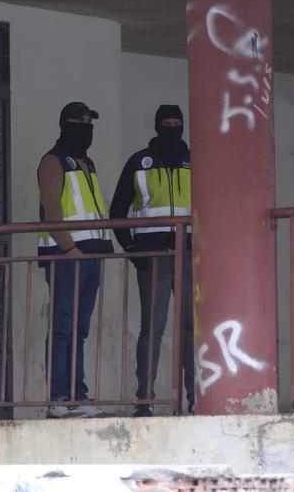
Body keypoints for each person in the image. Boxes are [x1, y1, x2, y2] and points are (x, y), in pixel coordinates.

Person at [109, 104, 195, 416]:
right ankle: (144, 400)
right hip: (153, 258)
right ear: (157, 126)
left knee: (191, 330)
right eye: (167, 123)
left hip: (190, 256)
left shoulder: (196, 162)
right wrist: (131, 249)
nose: (172, 128)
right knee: (152, 329)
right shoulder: (138, 162)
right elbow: (117, 212)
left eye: (177, 123)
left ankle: (195, 399)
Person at [37, 101, 113, 418]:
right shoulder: (54, 162)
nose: (87, 127)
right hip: (67, 257)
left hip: (91, 258)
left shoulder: (87, 163)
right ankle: (58, 398)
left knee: (79, 331)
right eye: (82, 121)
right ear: (67, 124)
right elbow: (52, 210)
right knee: (63, 328)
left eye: (90, 122)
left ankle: (77, 396)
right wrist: (71, 249)